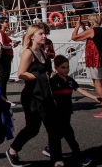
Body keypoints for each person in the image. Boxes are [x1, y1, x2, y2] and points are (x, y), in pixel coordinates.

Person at [6, 23, 62, 167]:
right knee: (33, 128)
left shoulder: (42, 51)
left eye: (44, 34)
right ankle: (13, 150)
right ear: (32, 37)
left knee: (53, 127)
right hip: (32, 96)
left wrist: (51, 74)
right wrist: (40, 76)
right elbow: (21, 74)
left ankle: (57, 159)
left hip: (45, 94)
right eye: (41, 34)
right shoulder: (28, 53)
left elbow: (46, 70)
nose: (44, 36)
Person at [43, 55, 98, 166]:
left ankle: (50, 148)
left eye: (67, 67)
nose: (66, 70)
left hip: (67, 112)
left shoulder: (70, 81)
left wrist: (94, 97)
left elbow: (80, 90)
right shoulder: (52, 82)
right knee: (69, 135)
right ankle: (78, 157)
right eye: (63, 67)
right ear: (56, 68)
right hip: (56, 113)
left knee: (61, 134)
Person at [71, 14, 102, 117]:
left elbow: (74, 37)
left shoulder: (92, 31)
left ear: (92, 22)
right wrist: (84, 27)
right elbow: (91, 37)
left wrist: (77, 26)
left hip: (95, 61)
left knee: (97, 84)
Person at [0, 17, 20, 100]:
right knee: (3, 77)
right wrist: (11, 45)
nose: (7, 23)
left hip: (6, 57)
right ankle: (3, 97)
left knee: (5, 77)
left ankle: (3, 96)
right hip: (2, 57)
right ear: (1, 23)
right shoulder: (0, 33)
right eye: (6, 22)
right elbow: (2, 45)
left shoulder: (3, 33)